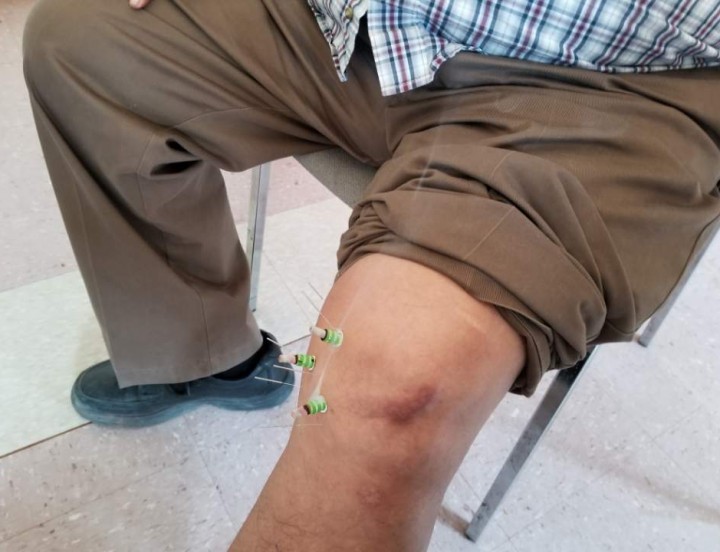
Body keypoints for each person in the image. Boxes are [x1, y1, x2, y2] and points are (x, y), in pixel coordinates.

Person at [22, 0, 720, 550]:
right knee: (77, 42)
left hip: (614, 80)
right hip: (351, 19)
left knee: (391, 387)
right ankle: (208, 357)